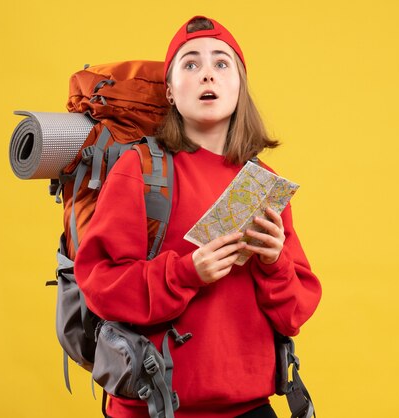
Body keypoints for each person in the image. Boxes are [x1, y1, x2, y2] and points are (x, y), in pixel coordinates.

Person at [75, 15, 322, 418]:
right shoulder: (139, 170)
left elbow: (293, 314)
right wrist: (188, 272)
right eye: (190, 64)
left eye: (221, 64)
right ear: (171, 91)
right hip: (154, 407)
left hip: (250, 406)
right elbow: (100, 286)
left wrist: (273, 261)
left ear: (240, 86)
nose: (208, 74)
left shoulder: (261, 182)